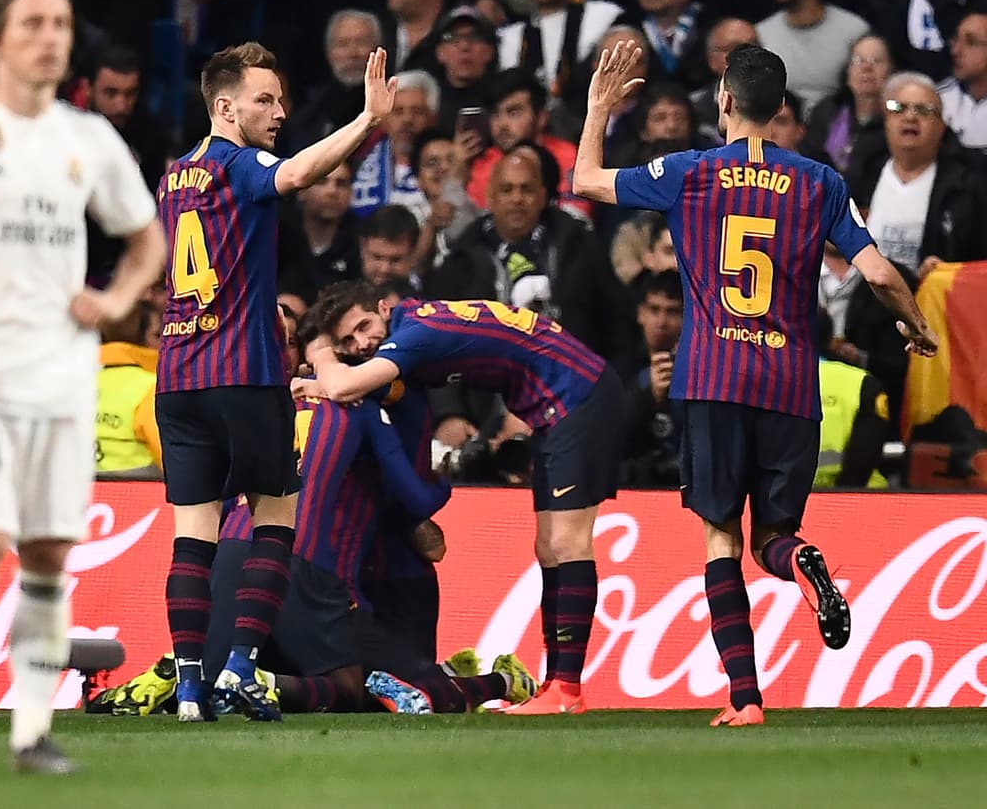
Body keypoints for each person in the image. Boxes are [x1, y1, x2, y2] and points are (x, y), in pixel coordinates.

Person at [572, 40, 938, 727]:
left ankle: (745, 698)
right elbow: (882, 274)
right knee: (775, 532)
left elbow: (586, 180)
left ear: (725, 102)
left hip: (712, 377)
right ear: (780, 109)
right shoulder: (821, 181)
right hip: (792, 384)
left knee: (719, 537)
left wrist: (597, 108)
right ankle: (803, 563)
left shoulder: (691, 171)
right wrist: (916, 325)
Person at [0, 0, 166, 774]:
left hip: (63, 378)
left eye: (61, 23)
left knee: (48, 553)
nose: (52, 36)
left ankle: (30, 731)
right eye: (34, 23)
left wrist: (114, 296)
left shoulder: (86, 137)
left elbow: (147, 238)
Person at [154, 40, 397, 723]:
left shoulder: (175, 177)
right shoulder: (240, 163)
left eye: (282, 99)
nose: (279, 111)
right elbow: (294, 175)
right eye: (265, 99)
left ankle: (190, 691)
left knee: (193, 534)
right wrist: (367, 121)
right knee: (276, 515)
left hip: (176, 372)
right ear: (224, 106)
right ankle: (237, 669)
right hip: (242, 369)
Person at [301, 282, 625, 717]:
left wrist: (322, 353)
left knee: (568, 544)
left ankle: (567, 691)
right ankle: (557, 686)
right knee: (548, 547)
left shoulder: (415, 334)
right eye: (349, 341)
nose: (363, 343)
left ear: (384, 308)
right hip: (558, 405)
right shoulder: (417, 326)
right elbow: (381, 390)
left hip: (577, 396)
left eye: (363, 327)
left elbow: (344, 388)